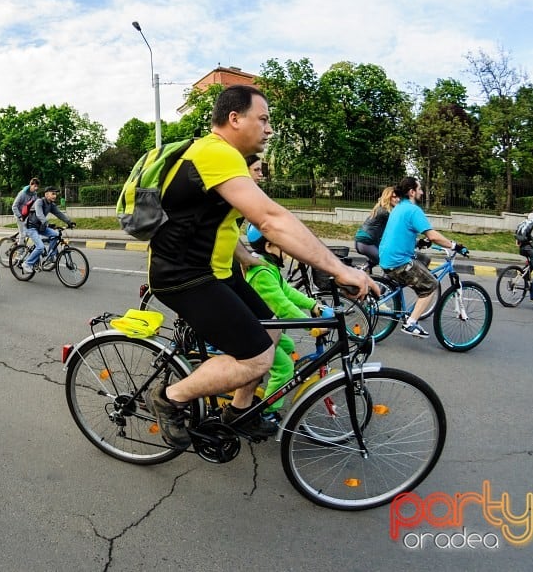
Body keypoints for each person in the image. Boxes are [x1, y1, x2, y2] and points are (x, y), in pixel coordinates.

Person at [142, 84, 373, 449]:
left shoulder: (219, 157)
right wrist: (340, 269)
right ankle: (170, 398)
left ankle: (239, 410)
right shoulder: (216, 153)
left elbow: (211, 222)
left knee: (272, 330)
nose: (269, 129)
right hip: (183, 276)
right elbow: (271, 220)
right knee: (256, 358)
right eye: (263, 119)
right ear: (235, 119)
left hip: (216, 272)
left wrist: (248, 258)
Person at [244, 225, 332, 421]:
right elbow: (283, 305)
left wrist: (313, 305)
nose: (287, 252)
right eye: (282, 245)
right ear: (269, 246)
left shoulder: (267, 266)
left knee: (289, 345)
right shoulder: (261, 274)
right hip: (251, 331)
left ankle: (257, 380)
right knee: (284, 369)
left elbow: (288, 291)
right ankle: (267, 412)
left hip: (260, 328)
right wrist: (312, 324)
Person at [378, 176, 467, 338]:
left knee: (420, 270)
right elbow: (433, 235)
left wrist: (419, 243)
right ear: (412, 192)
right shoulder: (413, 210)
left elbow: (402, 232)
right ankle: (411, 323)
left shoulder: (399, 207)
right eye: (419, 189)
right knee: (431, 284)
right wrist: (454, 245)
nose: (422, 192)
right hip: (399, 262)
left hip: (386, 258)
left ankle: (408, 312)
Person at [21, 186, 75, 273]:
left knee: (56, 235)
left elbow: (59, 214)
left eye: (56, 194)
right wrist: (47, 223)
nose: (55, 195)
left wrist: (69, 222)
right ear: (46, 194)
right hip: (31, 227)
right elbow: (39, 214)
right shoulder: (39, 202)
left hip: (40, 227)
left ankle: (50, 257)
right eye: (53, 193)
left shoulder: (51, 205)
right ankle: (27, 263)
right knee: (41, 247)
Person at [354, 186, 397, 273]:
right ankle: (384, 285)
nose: (397, 199)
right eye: (394, 197)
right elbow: (398, 227)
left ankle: (362, 271)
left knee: (376, 261)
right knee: (388, 263)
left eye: (398, 197)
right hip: (366, 243)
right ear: (387, 197)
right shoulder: (385, 212)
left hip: (365, 241)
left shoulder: (382, 209)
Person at [11, 178, 40, 245]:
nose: (36, 188)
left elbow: (35, 205)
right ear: (30, 185)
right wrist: (20, 216)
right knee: (23, 234)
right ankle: (19, 253)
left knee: (31, 231)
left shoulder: (34, 194)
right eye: (35, 186)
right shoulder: (22, 193)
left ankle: (17, 242)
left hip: (26, 215)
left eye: (37, 186)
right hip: (19, 215)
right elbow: (14, 206)